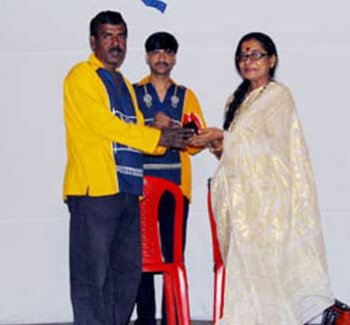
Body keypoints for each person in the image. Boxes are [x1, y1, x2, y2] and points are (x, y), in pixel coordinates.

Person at [190, 32, 334, 325]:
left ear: (272, 60)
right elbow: (234, 154)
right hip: (240, 204)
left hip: (269, 207)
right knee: (245, 276)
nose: (248, 61)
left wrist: (224, 137)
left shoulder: (278, 96)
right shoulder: (237, 100)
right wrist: (216, 143)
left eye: (256, 54)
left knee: (269, 277)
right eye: (243, 55)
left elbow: (273, 151)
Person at [63, 11, 194, 325]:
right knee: (91, 277)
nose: (115, 43)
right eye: (108, 36)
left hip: (128, 191)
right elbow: (107, 126)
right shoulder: (82, 76)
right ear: (93, 41)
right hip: (94, 190)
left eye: (121, 36)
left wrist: (170, 138)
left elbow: (135, 130)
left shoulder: (122, 83)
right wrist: (158, 138)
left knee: (126, 275)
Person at [133, 32, 206, 325]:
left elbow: (198, 138)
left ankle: (172, 317)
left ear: (175, 57)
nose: (161, 58)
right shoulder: (132, 92)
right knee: (142, 256)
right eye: (155, 52)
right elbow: (128, 135)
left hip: (176, 188)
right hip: (140, 187)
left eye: (167, 52)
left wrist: (171, 126)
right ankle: (146, 318)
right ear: (147, 57)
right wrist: (159, 134)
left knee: (174, 254)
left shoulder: (186, 95)